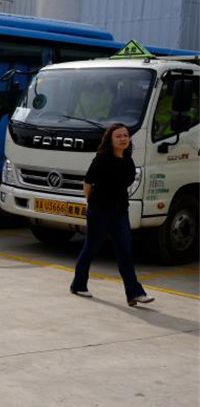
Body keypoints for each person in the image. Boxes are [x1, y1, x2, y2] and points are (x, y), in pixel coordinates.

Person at [70, 123, 154, 306]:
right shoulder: (101, 159)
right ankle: (78, 285)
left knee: (125, 251)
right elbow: (87, 183)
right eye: (118, 136)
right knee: (91, 248)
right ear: (110, 140)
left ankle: (134, 293)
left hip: (120, 212)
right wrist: (92, 203)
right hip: (99, 211)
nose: (123, 139)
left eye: (126, 135)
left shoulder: (128, 161)